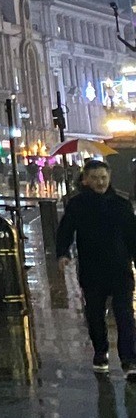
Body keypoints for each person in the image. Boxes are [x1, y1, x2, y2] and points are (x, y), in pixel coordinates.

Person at [56, 159, 136, 376]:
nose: (100, 182)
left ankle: (129, 359)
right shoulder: (77, 205)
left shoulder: (121, 204)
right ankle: (100, 352)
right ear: (86, 180)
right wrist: (62, 253)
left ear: (109, 177)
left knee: (125, 315)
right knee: (94, 314)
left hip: (120, 269)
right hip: (92, 270)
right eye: (95, 178)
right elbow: (65, 230)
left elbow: (132, 235)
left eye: (103, 177)